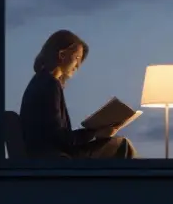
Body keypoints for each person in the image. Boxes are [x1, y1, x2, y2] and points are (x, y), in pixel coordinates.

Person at [18, 30, 137, 159]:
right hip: (57, 159)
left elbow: (56, 136)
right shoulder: (49, 84)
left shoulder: (40, 81)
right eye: (77, 58)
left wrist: (94, 132)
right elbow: (60, 140)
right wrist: (94, 132)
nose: (78, 65)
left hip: (49, 156)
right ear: (62, 54)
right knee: (122, 144)